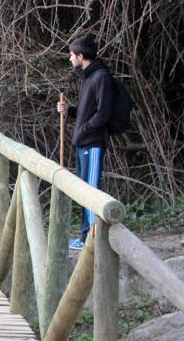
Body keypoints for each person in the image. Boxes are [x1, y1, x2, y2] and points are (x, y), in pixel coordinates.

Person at [56, 33, 114, 250]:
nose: (70, 59)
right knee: (83, 190)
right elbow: (85, 111)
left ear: (80, 55)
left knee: (91, 191)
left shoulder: (101, 77)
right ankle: (84, 237)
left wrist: (84, 130)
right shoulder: (87, 77)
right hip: (83, 142)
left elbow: (102, 114)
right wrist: (69, 111)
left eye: (72, 55)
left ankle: (91, 239)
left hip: (93, 143)